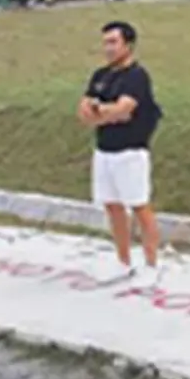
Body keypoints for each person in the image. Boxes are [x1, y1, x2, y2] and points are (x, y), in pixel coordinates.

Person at [76, 20, 163, 281]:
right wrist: (103, 113)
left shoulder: (136, 77)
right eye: (105, 43)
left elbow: (124, 109)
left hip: (130, 151)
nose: (109, 48)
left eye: (114, 42)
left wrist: (102, 111)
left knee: (139, 206)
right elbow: (84, 111)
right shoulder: (100, 76)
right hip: (104, 150)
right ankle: (123, 261)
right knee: (112, 206)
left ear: (128, 45)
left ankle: (151, 265)